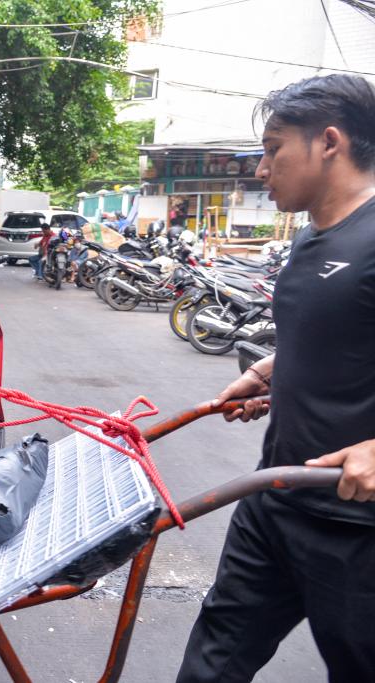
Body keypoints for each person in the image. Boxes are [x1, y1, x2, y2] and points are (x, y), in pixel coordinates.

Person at [177, 74, 375, 682]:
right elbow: (336, 332)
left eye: (273, 149)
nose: (262, 170)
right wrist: (273, 370)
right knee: (210, 666)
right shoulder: (312, 238)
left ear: (330, 143)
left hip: (356, 526)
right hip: (274, 498)